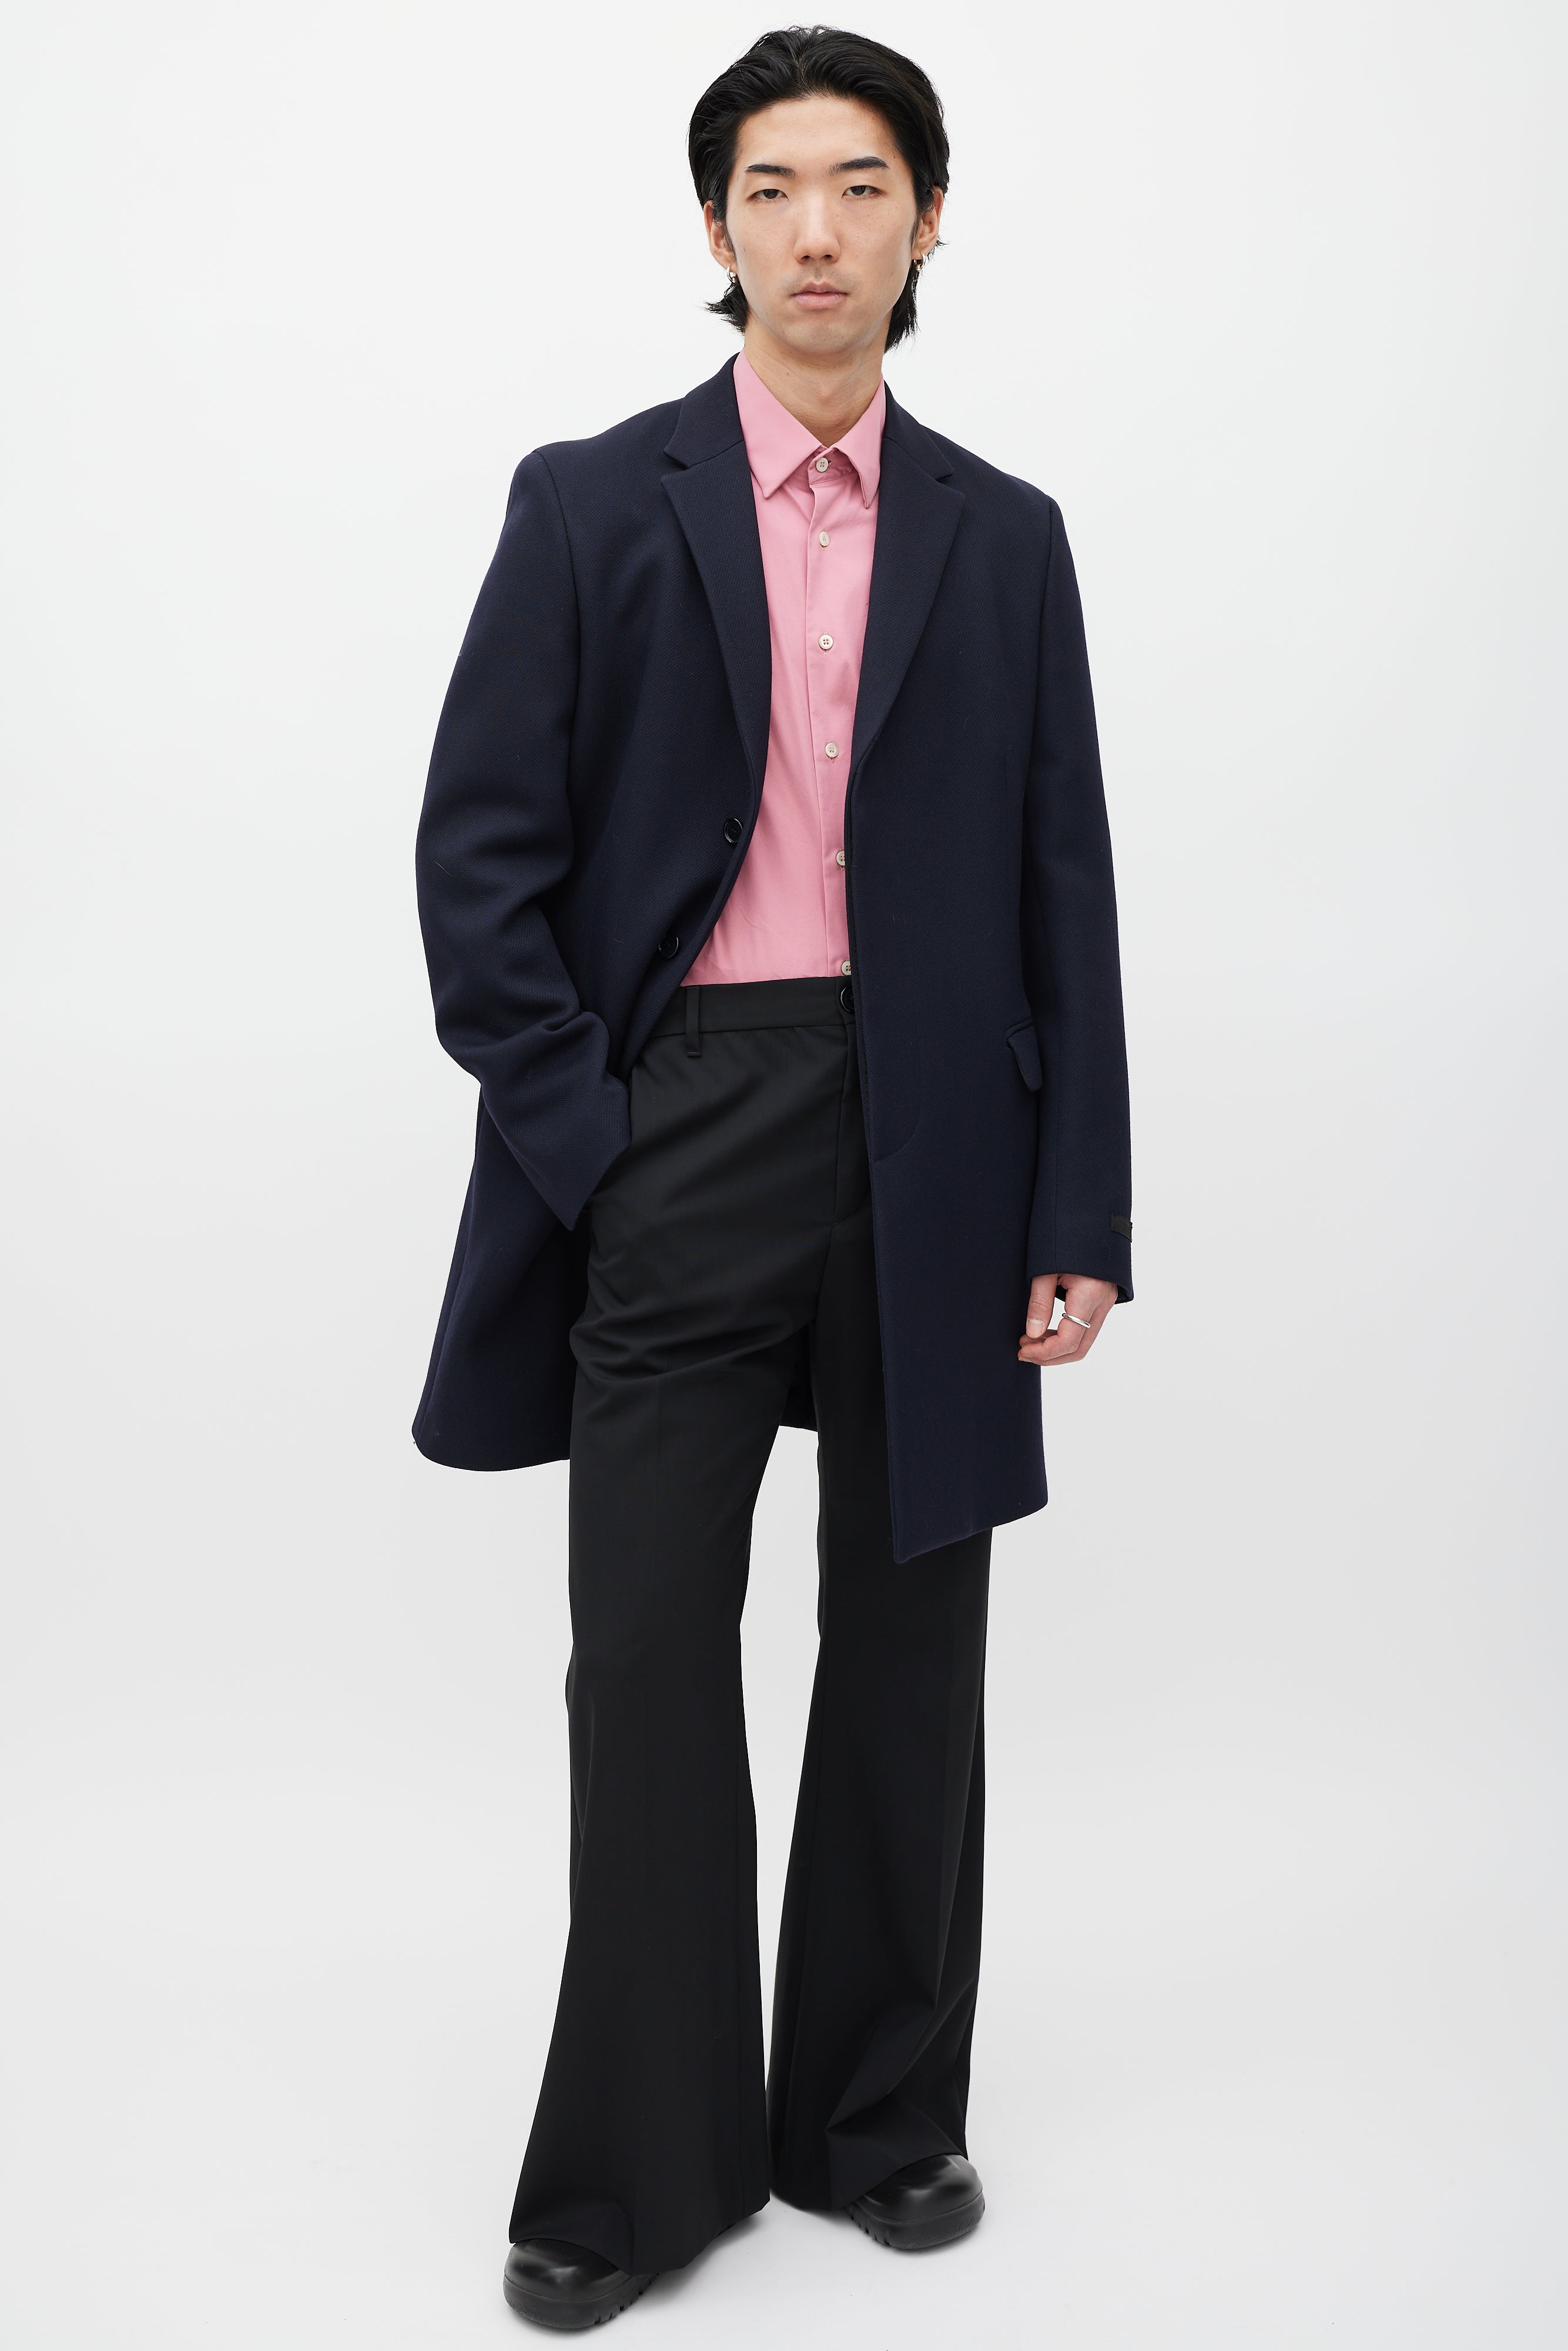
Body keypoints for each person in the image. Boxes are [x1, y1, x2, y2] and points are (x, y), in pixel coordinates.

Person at [413, 24, 1133, 2331]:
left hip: (942, 1139)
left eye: (861, 184)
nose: (816, 231)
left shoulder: (1003, 539)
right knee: (643, 1653)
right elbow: (478, 869)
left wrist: (1077, 1210)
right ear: (714, 226)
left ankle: (875, 2118)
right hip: (683, 1122)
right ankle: (639, 2162)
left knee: (911, 1641)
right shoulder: (589, 504)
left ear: (928, 218)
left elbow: (1063, 889)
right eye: (771, 188)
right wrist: (593, 1138)